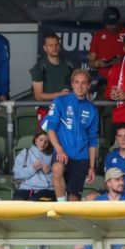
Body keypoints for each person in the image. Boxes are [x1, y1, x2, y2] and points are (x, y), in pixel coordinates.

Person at [43, 69, 100, 201]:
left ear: (88, 85)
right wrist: (59, 150)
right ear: (72, 84)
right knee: (57, 168)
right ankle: (61, 206)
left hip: (81, 157)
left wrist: (92, 166)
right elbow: (50, 129)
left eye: (83, 83)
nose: (80, 86)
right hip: (63, 152)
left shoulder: (92, 110)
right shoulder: (60, 102)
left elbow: (93, 140)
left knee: (74, 199)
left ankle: (69, 210)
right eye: (77, 82)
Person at [89, 6, 125, 86]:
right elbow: (91, 62)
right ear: (104, 23)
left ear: (119, 20)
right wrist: (98, 63)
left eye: (115, 23)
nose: (113, 26)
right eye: (110, 24)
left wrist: (122, 61)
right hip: (103, 79)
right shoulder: (98, 36)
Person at [12, 130, 55, 200]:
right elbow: (17, 174)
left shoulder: (52, 155)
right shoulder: (25, 153)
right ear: (36, 140)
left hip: (46, 189)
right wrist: (33, 168)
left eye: (46, 142)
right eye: (41, 140)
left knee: (35, 201)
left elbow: (58, 180)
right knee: (17, 200)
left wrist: (48, 172)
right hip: (26, 188)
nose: (43, 144)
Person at [30, 32, 73, 101]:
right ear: (45, 48)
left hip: (66, 106)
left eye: (56, 44)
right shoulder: (39, 68)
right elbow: (38, 96)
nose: (54, 48)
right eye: (51, 45)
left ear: (59, 46)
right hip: (47, 107)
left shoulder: (69, 66)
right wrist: (59, 94)